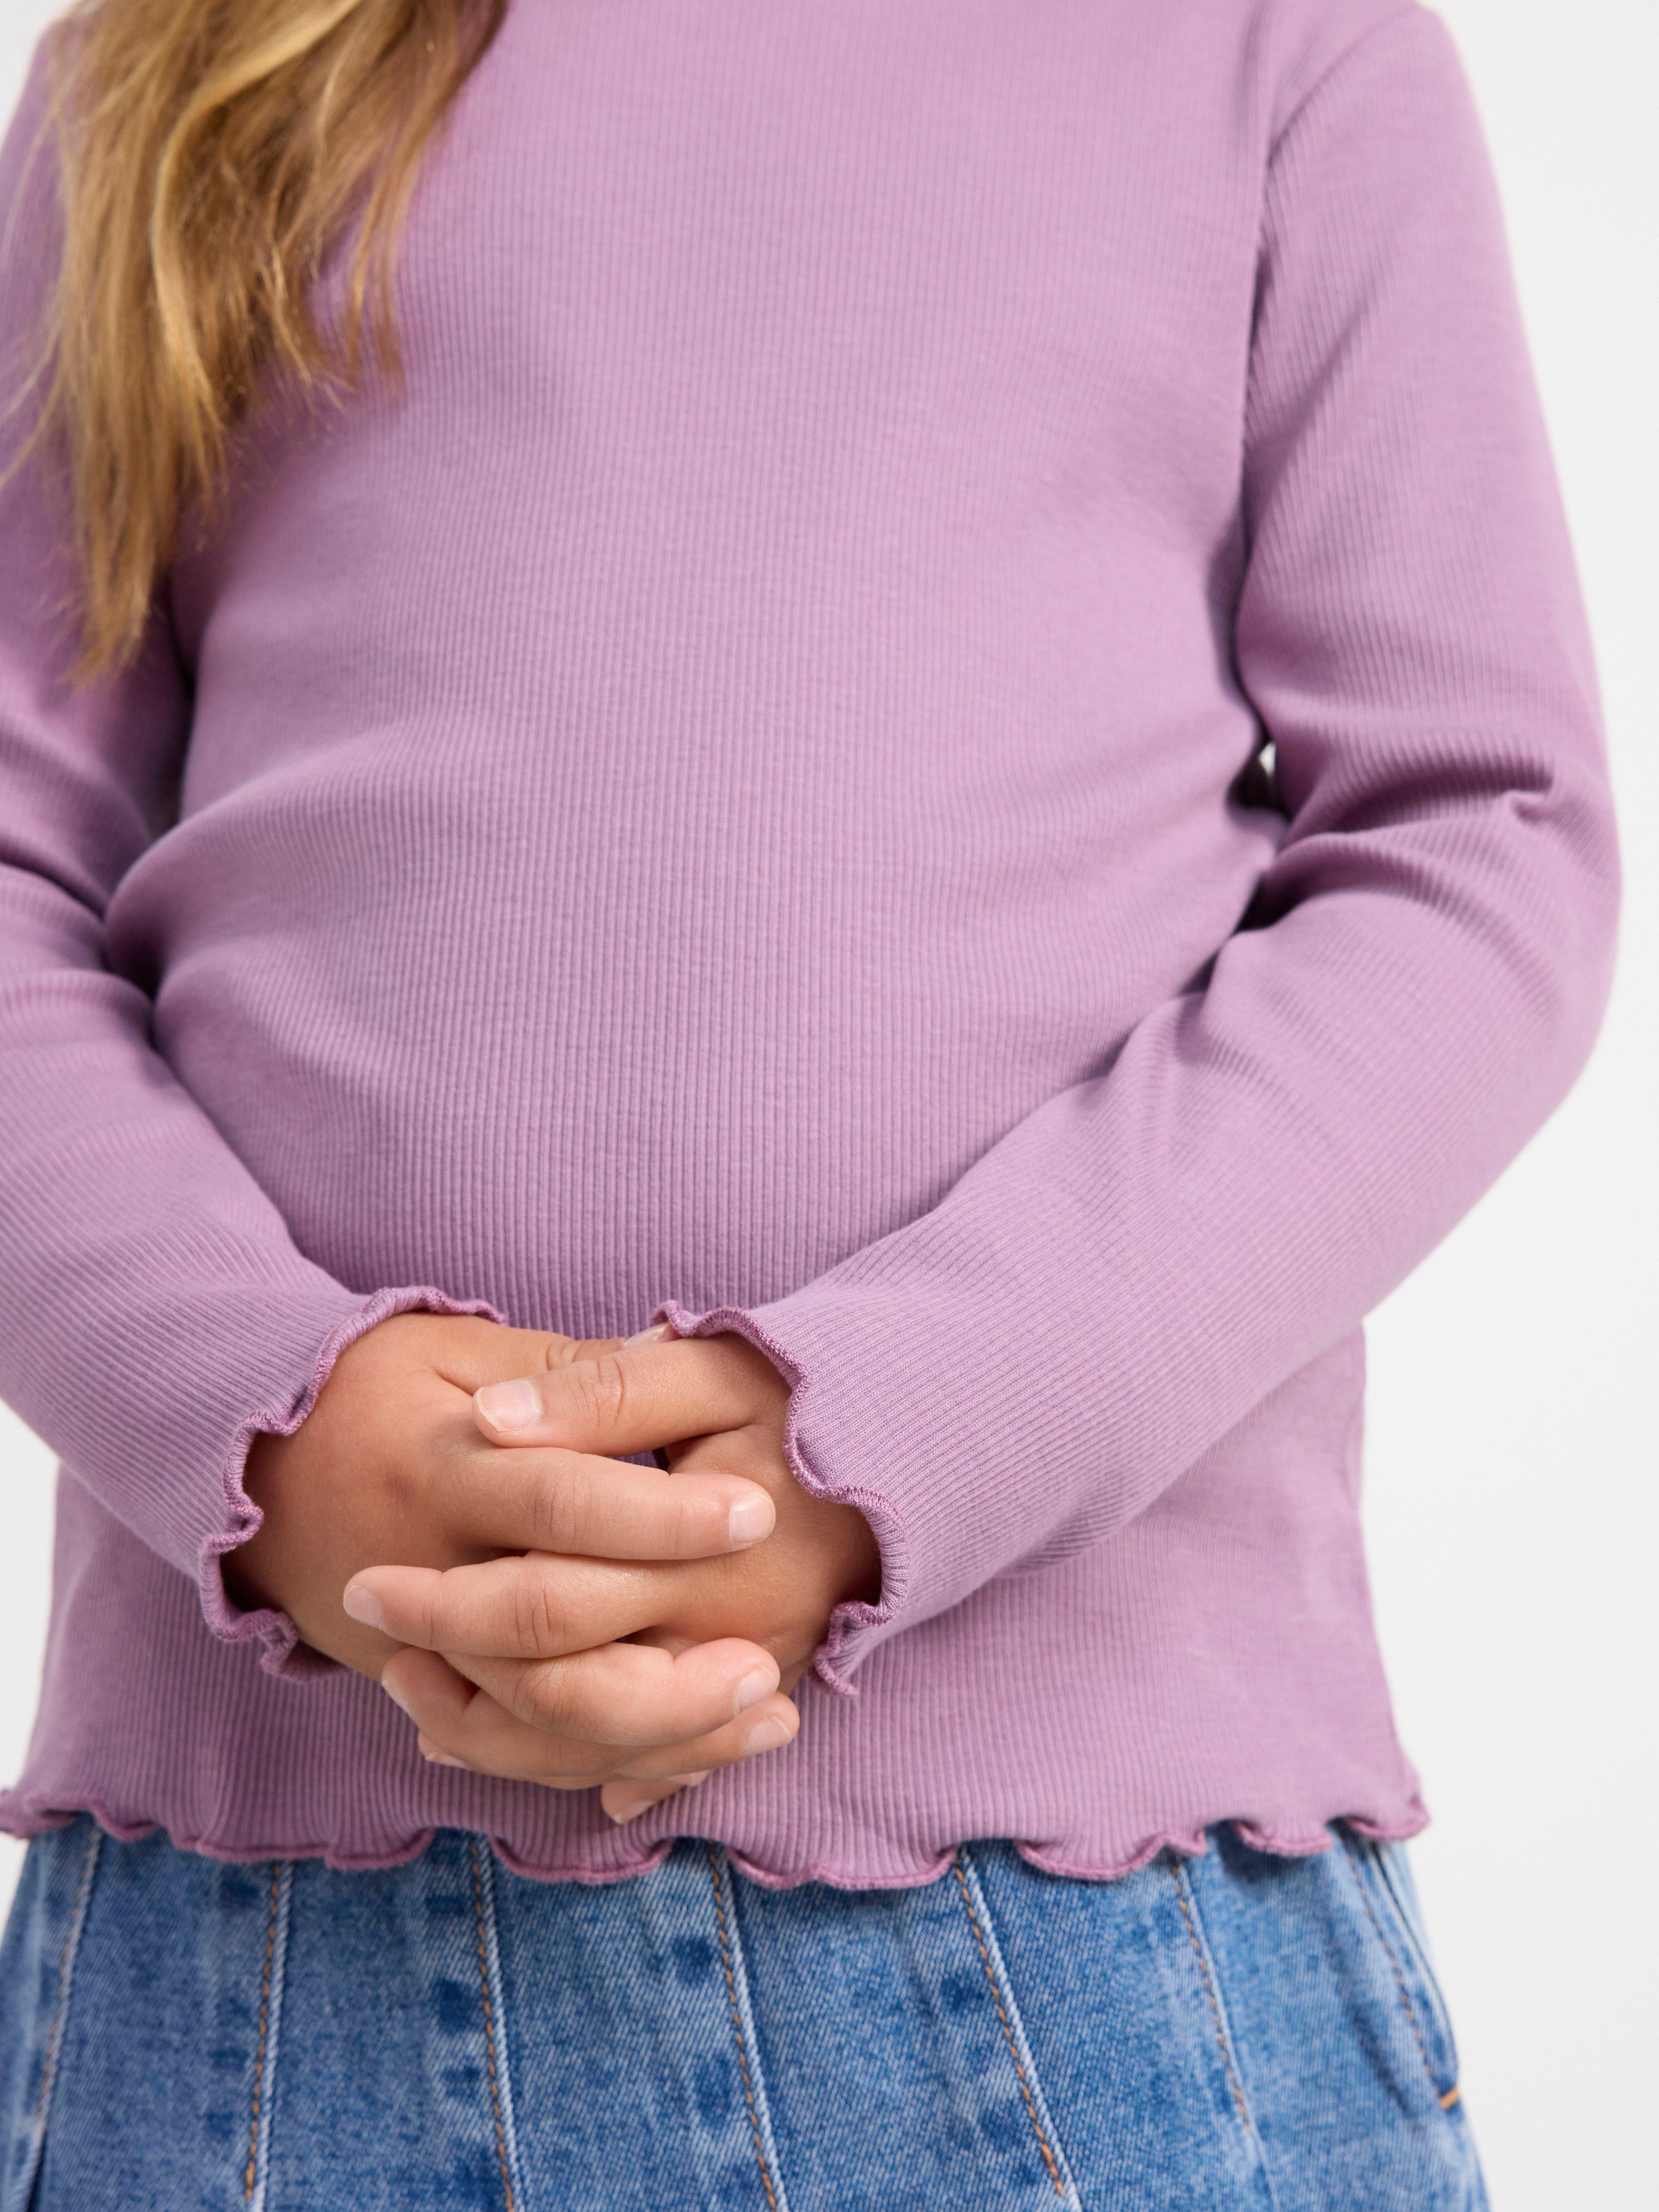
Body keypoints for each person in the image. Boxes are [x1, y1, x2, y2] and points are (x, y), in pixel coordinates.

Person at [0, 0, 1618, 2203]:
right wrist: (276, 1441)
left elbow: (1475, 845)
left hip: (1089, 1916)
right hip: (262, 1925)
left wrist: (880, 1447)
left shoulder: (1272, 39)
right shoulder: (172, 57)